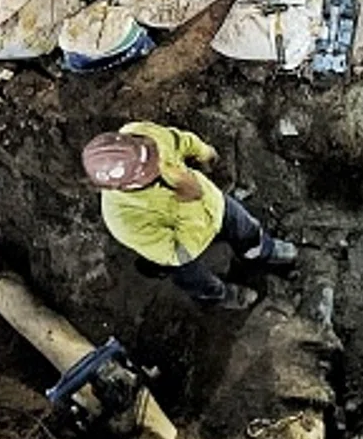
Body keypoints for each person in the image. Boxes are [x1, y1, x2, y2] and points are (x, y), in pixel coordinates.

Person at [83, 121, 296, 310]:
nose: (159, 163)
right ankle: (221, 296)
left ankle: (262, 251)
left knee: (246, 227)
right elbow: (178, 254)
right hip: (180, 243)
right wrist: (191, 199)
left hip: (213, 202)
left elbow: (180, 140)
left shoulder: (141, 134)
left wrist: (205, 152)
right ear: (126, 186)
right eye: (149, 170)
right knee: (196, 279)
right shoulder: (122, 219)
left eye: (153, 156)